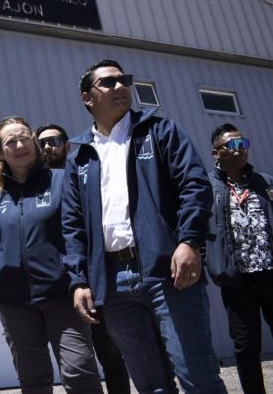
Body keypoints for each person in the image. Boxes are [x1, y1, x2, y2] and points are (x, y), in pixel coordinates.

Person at [61, 59, 226, 393]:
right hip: (114, 286)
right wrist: (79, 280)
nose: (120, 86)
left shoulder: (161, 132)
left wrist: (190, 241)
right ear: (87, 98)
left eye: (124, 80)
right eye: (108, 83)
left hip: (168, 272)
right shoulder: (80, 157)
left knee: (198, 377)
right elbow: (72, 225)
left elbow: (195, 185)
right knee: (151, 386)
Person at [0, 116, 103, 394]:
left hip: (63, 296)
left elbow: (80, 231)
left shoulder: (62, 181)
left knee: (79, 372)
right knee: (33, 380)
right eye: (10, 141)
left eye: (24, 137)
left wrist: (79, 278)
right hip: (14, 302)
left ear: (34, 143)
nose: (20, 144)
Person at [206, 124, 273, 394]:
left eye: (243, 143)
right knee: (246, 349)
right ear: (216, 153)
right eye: (231, 145)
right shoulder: (209, 188)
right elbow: (200, 233)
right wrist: (214, 265)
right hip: (238, 283)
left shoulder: (268, 184)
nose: (240, 149)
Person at [37, 122, 131, 394]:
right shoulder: (37, 186)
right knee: (73, 360)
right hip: (57, 285)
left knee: (110, 353)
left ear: (67, 146)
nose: (46, 147)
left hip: (90, 279)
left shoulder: (84, 175)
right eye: (41, 142)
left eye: (53, 141)